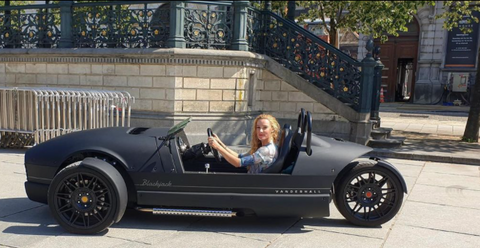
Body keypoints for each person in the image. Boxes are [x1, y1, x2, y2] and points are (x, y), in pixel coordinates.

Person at [208, 114, 280, 174]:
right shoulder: (265, 147)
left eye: (265, 127)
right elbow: (239, 156)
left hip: (252, 184)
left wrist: (218, 147)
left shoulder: (266, 150)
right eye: (258, 127)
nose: (260, 131)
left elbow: (238, 163)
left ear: (272, 129)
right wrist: (220, 143)